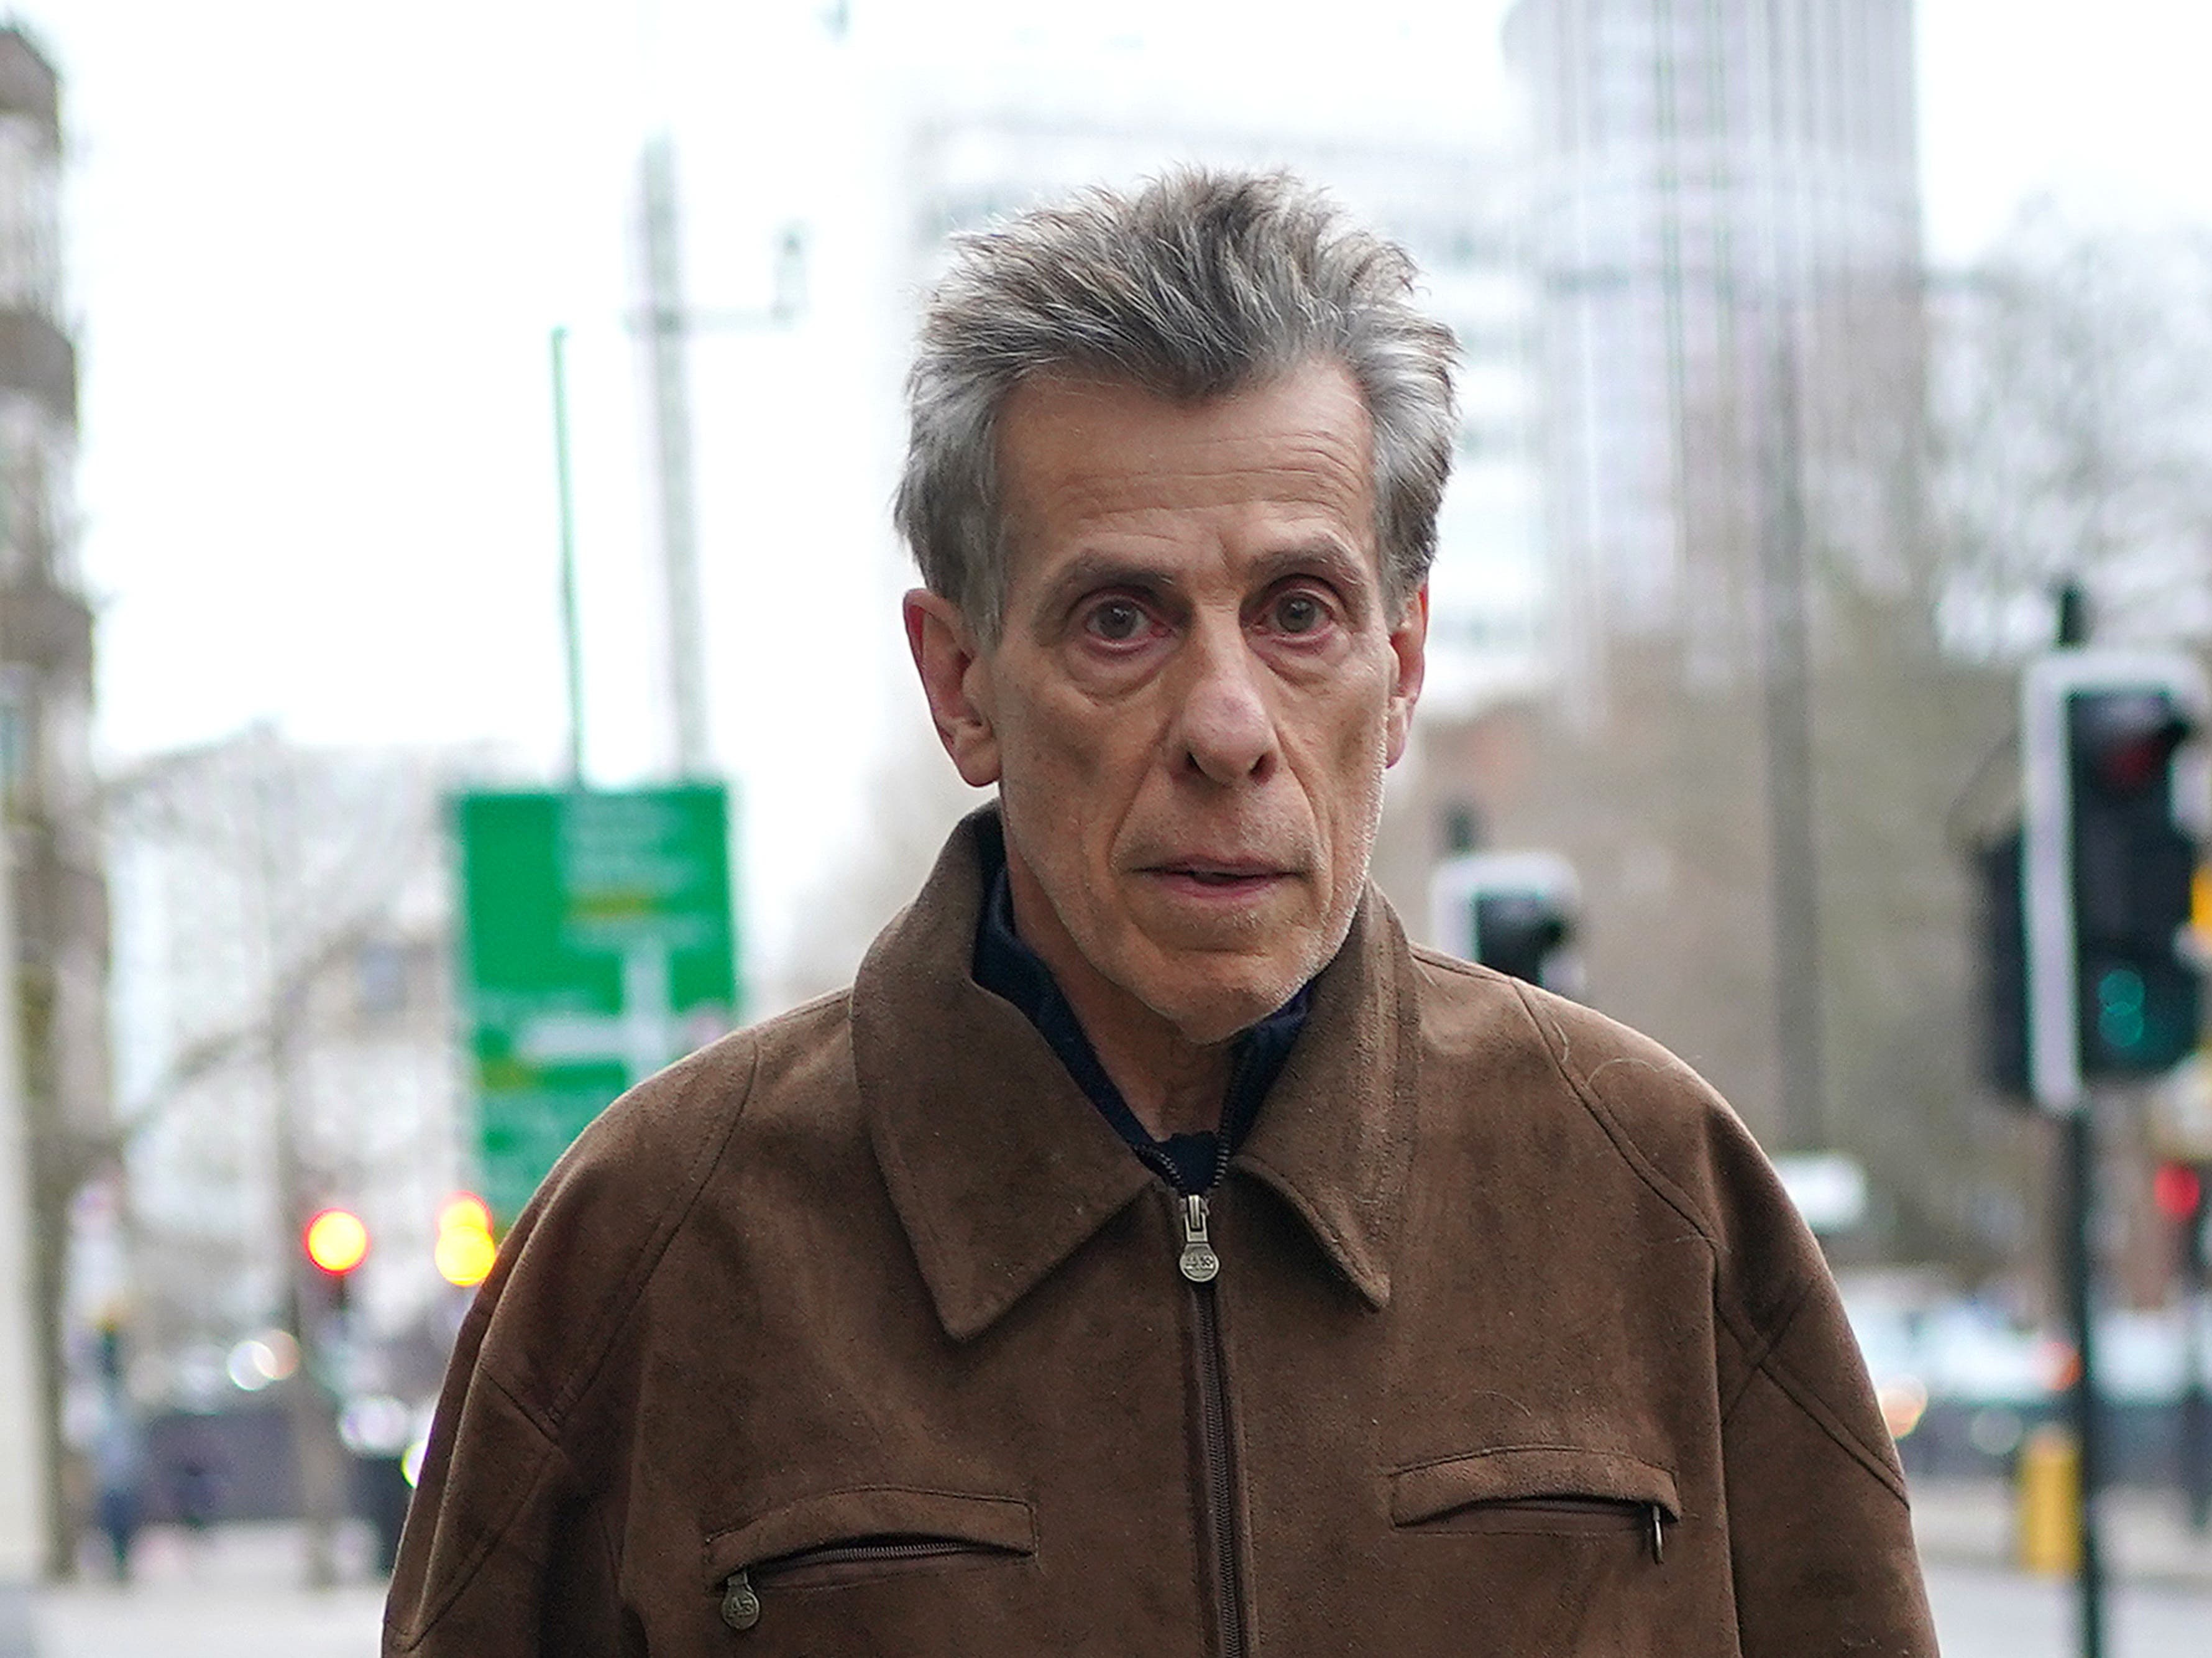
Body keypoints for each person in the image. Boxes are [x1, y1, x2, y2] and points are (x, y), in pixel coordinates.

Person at [385, 170, 1936, 1656]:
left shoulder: (1651, 1195)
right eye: (1119, 620)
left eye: (1298, 613)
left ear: (1398, 664)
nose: (1225, 724)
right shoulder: (655, 1248)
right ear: (960, 682)